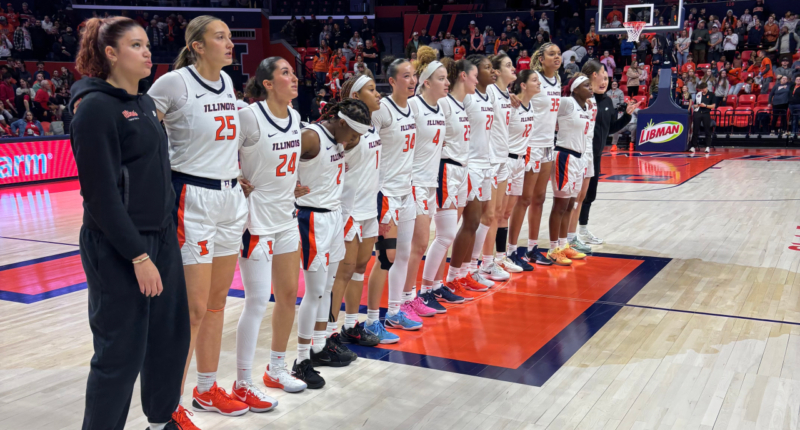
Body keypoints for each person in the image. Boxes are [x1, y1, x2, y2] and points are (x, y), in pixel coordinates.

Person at [71, 16, 190, 430]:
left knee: (169, 341)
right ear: (110, 54)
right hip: (119, 247)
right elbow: (100, 196)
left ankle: (161, 422)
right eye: (136, 45)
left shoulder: (145, 104)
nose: (147, 52)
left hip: (161, 239)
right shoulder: (94, 110)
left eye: (146, 45)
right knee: (119, 354)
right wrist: (138, 256)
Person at [147, 15, 250, 427]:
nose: (230, 44)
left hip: (229, 196)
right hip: (192, 196)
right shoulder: (174, 84)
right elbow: (140, 135)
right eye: (220, 37)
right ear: (197, 46)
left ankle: (206, 388)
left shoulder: (227, 84)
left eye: (229, 36)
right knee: (190, 310)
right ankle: (169, 403)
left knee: (216, 303)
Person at [234, 57, 309, 404]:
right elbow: (218, 150)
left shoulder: (295, 117)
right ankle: (243, 381)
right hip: (257, 222)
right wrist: (234, 179)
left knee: (288, 297)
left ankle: (276, 369)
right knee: (256, 302)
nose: (294, 78)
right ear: (267, 83)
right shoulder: (249, 115)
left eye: (293, 73)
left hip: (286, 217)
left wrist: (291, 186)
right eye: (285, 73)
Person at [294, 98, 371, 386]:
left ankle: (318, 344)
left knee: (327, 288)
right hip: (313, 218)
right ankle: (301, 360)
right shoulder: (311, 136)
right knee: (314, 292)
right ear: (341, 123)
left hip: (334, 216)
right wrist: (287, 187)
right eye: (353, 135)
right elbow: (280, 162)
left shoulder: (338, 141)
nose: (354, 141)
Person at [327, 74, 385, 345]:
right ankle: (327, 332)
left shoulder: (372, 127)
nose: (378, 94)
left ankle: (351, 325)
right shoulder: (347, 133)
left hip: (368, 207)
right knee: (344, 272)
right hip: (348, 208)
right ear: (356, 97)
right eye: (371, 90)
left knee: (361, 267)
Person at [365, 56, 420, 335]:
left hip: (406, 190)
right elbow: (360, 142)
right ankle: (372, 319)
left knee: (404, 255)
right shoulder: (382, 110)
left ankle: (395, 312)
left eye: (414, 76)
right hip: (385, 192)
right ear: (392, 81)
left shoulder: (412, 108)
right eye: (406, 76)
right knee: (386, 257)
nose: (412, 81)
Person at [442, 54, 499, 296]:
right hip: (468, 165)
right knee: (468, 222)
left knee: (478, 221)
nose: (490, 72)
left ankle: (466, 271)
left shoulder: (488, 94)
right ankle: (453, 276)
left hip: (484, 163)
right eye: (483, 69)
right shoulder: (463, 99)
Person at [404, 46, 450, 319]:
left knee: (421, 244)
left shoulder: (441, 108)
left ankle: (412, 295)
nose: (447, 82)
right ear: (427, 82)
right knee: (418, 245)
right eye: (442, 78)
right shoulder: (413, 106)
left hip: (430, 182)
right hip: (413, 183)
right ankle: (407, 298)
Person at [507, 42, 561, 266]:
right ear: (541, 58)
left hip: (549, 144)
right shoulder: (534, 79)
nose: (557, 57)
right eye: (551, 54)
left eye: (558, 54)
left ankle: (532, 248)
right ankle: (511, 250)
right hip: (531, 145)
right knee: (524, 199)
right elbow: (517, 96)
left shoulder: (558, 80)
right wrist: (511, 97)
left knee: (539, 199)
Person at [577, 61, 636, 246]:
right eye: (602, 76)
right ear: (592, 76)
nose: (605, 81)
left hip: (595, 155)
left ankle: (583, 230)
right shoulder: (580, 99)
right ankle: (567, 236)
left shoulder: (608, 101)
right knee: (575, 197)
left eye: (607, 78)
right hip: (578, 155)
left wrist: (626, 115)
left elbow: (610, 128)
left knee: (589, 195)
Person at [478, 53, 518, 280]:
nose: (513, 68)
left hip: (503, 158)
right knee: (489, 215)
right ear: (495, 71)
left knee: (499, 213)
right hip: (491, 159)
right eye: (508, 65)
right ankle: (484, 262)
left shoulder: (505, 94)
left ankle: (493, 260)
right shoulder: (491, 91)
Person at [546, 74, 593, 265]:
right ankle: (552, 248)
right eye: (586, 85)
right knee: (560, 205)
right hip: (564, 155)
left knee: (571, 204)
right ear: (574, 88)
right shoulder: (566, 102)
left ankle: (564, 244)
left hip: (579, 158)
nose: (590, 88)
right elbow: (545, 107)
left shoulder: (585, 107)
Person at [501, 69, 541, 269]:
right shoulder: (511, 104)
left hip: (520, 161)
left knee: (506, 213)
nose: (539, 83)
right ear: (523, 85)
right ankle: (493, 259)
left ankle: (509, 253)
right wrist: (508, 95)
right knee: (498, 214)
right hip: (506, 160)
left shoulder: (530, 105)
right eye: (535, 80)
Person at [689, 82, 716, 153]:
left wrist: (705, 106)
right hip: (697, 112)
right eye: (701, 89)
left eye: (703, 89)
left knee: (707, 130)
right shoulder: (698, 94)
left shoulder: (711, 95)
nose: (702, 90)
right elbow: (694, 105)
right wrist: (697, 105)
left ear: (706, 87)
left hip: (706, 113)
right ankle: (693, 146)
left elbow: (713, 106)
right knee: (695, 129)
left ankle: (707, 146)